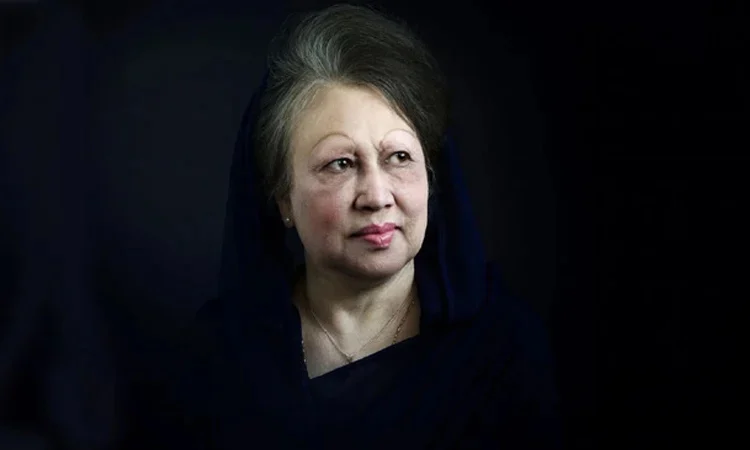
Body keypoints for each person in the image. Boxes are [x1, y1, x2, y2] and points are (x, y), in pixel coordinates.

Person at [168, 4, 561, 449]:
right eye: (340, 163)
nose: (376, 196)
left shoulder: (503, 350)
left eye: (399, 157)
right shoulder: (215, 357)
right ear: (283, 198)